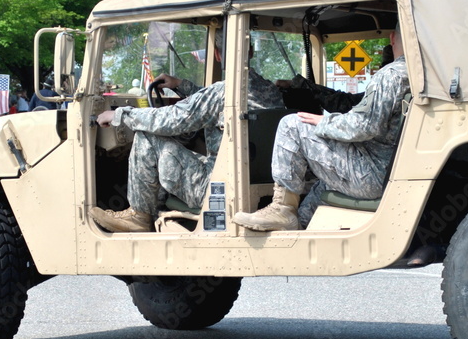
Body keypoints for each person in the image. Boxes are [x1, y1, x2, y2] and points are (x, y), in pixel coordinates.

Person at [89, 46, 284, 233]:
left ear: (216, 54)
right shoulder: (269, 90)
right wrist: (181, 85)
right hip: (256, 185)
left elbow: (171, 121)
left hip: (216, 188)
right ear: (249, 50)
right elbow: (210, 101)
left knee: (147, 136)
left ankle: (139, 216)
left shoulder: (224, 92)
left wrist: (120, 115)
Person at [233, 25, 409, 232]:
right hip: (388, 170)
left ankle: (281, 207)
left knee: (292, 124)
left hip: (371, 174)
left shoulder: (391, 75)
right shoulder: (418, 75)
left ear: (392, 39)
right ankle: (297, 229)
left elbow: (363, 126)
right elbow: (357, 110)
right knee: (318, 190)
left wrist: (323, 122)